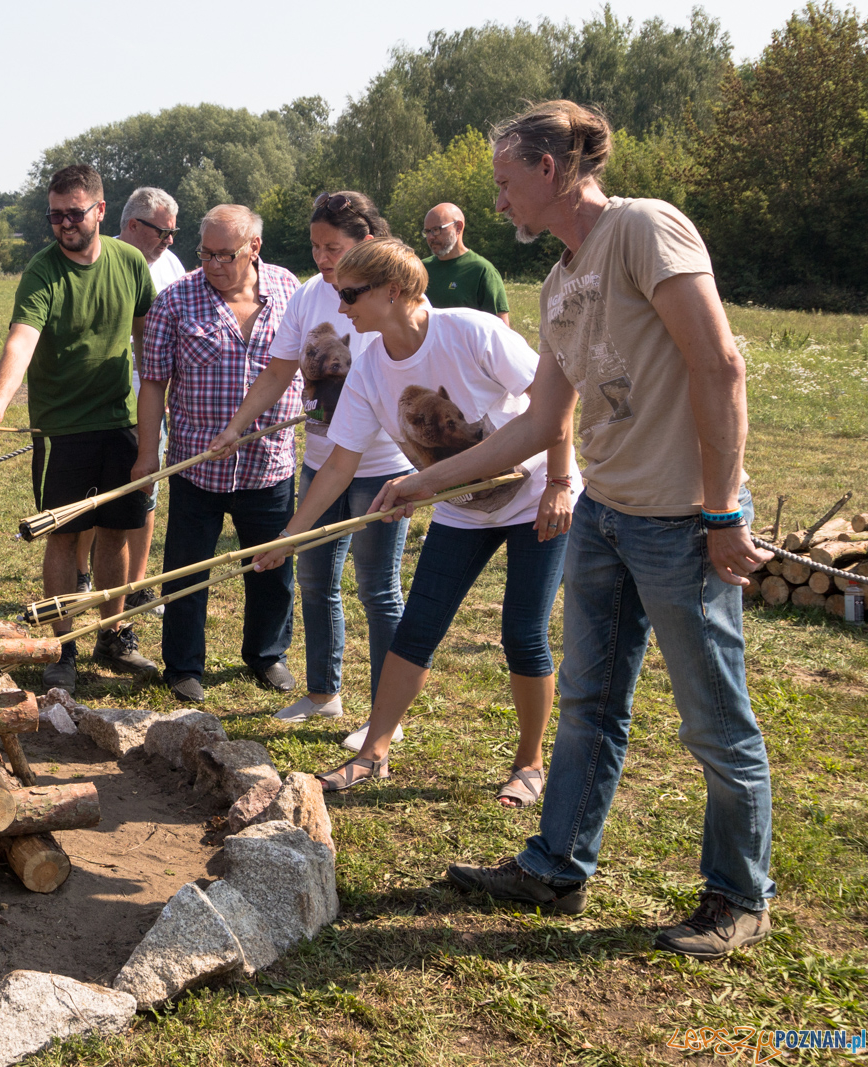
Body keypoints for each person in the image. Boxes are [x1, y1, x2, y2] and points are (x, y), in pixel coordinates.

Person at [377, 100, 775, 958]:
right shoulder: (559, 282)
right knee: (589, 702)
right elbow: (531, 425)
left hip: (681, 521)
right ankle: (556, 863)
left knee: (712, 716)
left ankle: (740, 895)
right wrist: (422, 481)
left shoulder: (644, 230)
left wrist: (722, 510)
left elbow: (720, 363)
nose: (499, 201)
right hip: (604, 518)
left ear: (550, 171)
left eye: (505, 182)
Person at [253, 237, 578, 811]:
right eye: (335, 291)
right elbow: (340, 461)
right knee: (418, 627)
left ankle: (529, 763)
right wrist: (292, 534)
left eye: (350, 293)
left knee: (522, 632)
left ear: (394, 292)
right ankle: (371, 753)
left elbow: (552, 401)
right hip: (458, 508)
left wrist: (558, 484)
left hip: (531, 500)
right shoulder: (369, 364)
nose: (340, 303)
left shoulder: (470, 332)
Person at [208, 191, 414, 730]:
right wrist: (237, 428)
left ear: (365, 242)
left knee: (378, 587)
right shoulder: (307, 297)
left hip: (381, 464)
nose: (322, 258)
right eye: (316, 246)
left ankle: (381, 716)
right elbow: (278, 373)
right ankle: (324, 692)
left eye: (333, 247)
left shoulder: (392, 297)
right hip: (322, 458)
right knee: (316, 579)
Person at [0, 164, 158, 693]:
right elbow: (22, 339)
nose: (63, 225)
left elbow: (149, 342)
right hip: (62, 432)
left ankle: (111, 632)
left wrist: (158, 412)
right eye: (54, 216)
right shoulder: (43, 270)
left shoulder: (129, 262)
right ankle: (61, 646)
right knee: (63, 534)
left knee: (118, 532)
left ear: (100, 209)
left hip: (120, 423)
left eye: (73, 214)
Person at [136, 205, 302, 704]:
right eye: (205, 253)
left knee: (272, 565)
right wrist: (148, 455)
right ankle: (184, 665)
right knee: (188, 570)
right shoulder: (176, 300)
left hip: (268, 460)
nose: (212, 264)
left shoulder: (289, 289)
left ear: (254, 248)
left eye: (224, 255)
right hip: (197, 461)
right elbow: (153, 384)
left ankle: (267, 654)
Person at [113, 185, 187, 614]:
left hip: (154, 399)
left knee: (146, 489)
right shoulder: (103, 259)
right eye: (163, 231)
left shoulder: (171, 265)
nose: (170, 240)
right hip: (107, 400)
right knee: (100, 487)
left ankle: (138, 585)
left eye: (173, 232)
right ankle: (88, 578)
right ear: (133, 226)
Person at [421, 203, 510, 324]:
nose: (430, 237)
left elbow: (501, 329)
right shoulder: (420, 269)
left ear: (458, 227)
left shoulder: (481, 270)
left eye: (436, 230)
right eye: (427, 231)